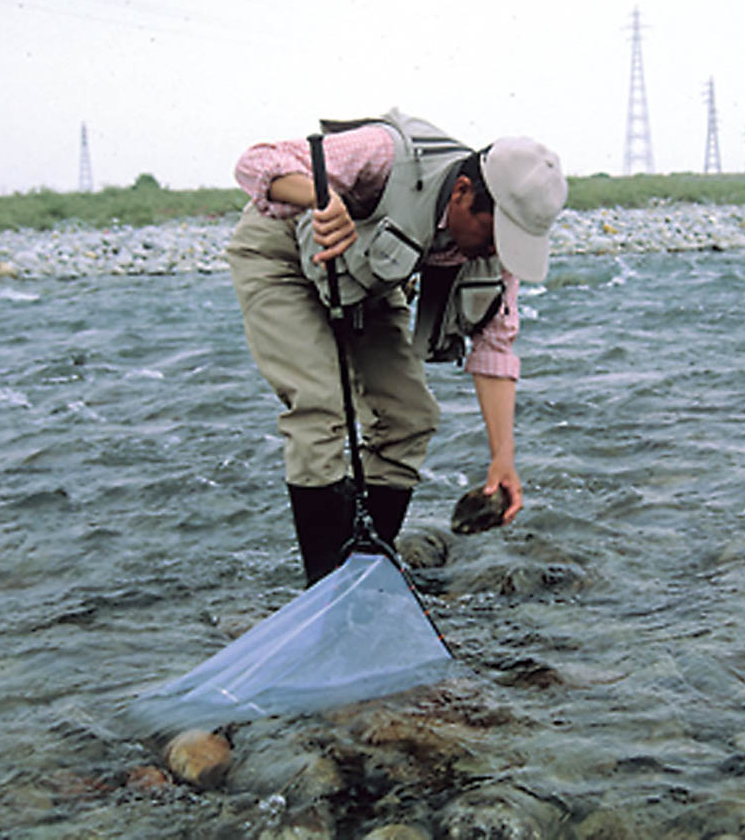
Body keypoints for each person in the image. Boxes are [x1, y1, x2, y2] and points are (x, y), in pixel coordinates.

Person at [226, 108, 566, 587]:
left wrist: (502, 460)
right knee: (321, 408)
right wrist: (323, 199)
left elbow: (495, 349)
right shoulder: (387, 155)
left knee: (410, 417)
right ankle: (323, 585)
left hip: (362, 278)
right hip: (279, 257)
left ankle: (366, 570)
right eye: (496, 234)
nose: (497, 252)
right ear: (464, 193)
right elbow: (257, 162)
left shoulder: (492, 251)